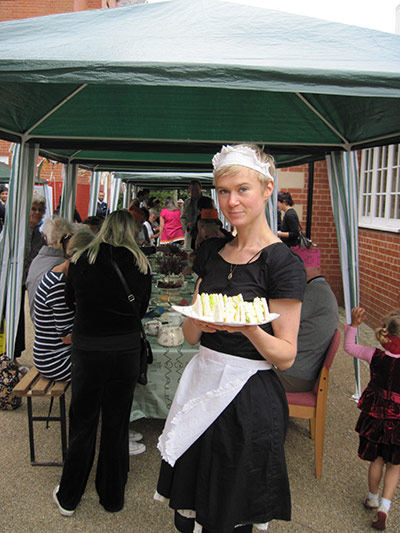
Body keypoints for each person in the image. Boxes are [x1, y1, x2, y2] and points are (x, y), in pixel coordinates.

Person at [155, 144, 306, 533]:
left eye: (242, 189)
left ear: (267, 188)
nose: (231, 201)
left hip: (247, 400)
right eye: (223, 191)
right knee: (188, 513)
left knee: (229, 514)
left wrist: (248, 327)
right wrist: (202, 321)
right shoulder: (212, 253)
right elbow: (190, 334)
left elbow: (286, 356)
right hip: (201, 384)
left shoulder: (282, 263)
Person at [53, 209, 152, 516]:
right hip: (124, 352)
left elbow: (71, 299)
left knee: (82, 423)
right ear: (132, 231)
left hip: (89, 351)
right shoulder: (140, 263)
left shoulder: (82, 260)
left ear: (105, 228)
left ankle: (69, 496)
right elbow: (143, 309)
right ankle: (112, 496)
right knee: (116, 423)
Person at [344, 307, 400, 531]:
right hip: (398, 422)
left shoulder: (375, 356)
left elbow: (349, 347)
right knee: (394, 465)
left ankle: (372, 497)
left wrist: (354, 326)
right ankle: (384, 508)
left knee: (376, 459)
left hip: (376, 418)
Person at [273, 247, 339, 392]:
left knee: (246, 374)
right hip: (301, 369)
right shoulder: (320, 289)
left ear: (301, 267)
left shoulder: (313, 293)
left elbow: (276, 323)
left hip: (294, 376)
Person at [14, 195, 47, 358]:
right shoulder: (16, 231)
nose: (36, 213)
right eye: (33, 209)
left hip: (23, 283)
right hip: (10, 283)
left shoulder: (39, 236)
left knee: (19, 320)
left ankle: (13, 356)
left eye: (40, 210)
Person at [26, 216, 74, 321]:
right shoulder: (62, 264)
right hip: (55, 326)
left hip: (40, 324)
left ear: (46, 238)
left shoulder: (37, 261)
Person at [181, 180, 203, 249]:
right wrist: (187, 225)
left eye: (196, 190)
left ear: (200, 189)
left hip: (203, 233)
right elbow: (182, 218)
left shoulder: (207, 201)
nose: (194, 192)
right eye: (192, 190)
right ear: (189, 190)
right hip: (191, 234)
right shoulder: (187, 202)